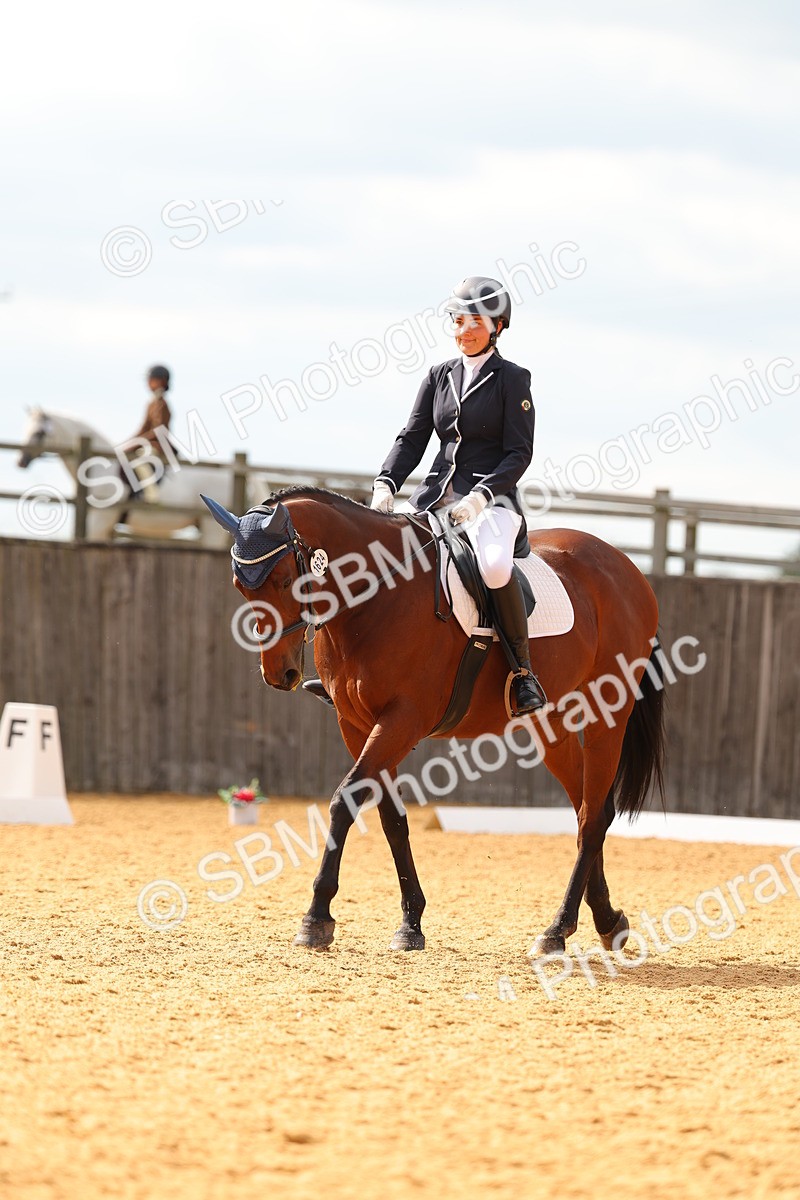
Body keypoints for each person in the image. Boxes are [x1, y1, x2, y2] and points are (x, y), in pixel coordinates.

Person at [371, 277, 547, 715]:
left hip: (493, 502)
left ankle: (523, 673)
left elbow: (518, 453)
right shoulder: (439, 376)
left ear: (498, 326)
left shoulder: (512, 380)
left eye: (474, 322)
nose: (463, 329)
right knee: (382, 553)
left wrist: (483, 495)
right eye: (458, 320)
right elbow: (412, 437)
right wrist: (386, 482)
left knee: (492, 565)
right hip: (435, 499)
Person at [120, 365, 172, 499]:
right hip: (148, 443)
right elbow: (143, 428)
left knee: (140, 461)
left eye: (151, 379)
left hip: (158, 446)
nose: (148, 383)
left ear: (161, 381)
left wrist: (137, 443)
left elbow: (158, 431)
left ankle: (150, 495)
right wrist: (129, 443)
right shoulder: (151, 403)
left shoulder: (162, 404)